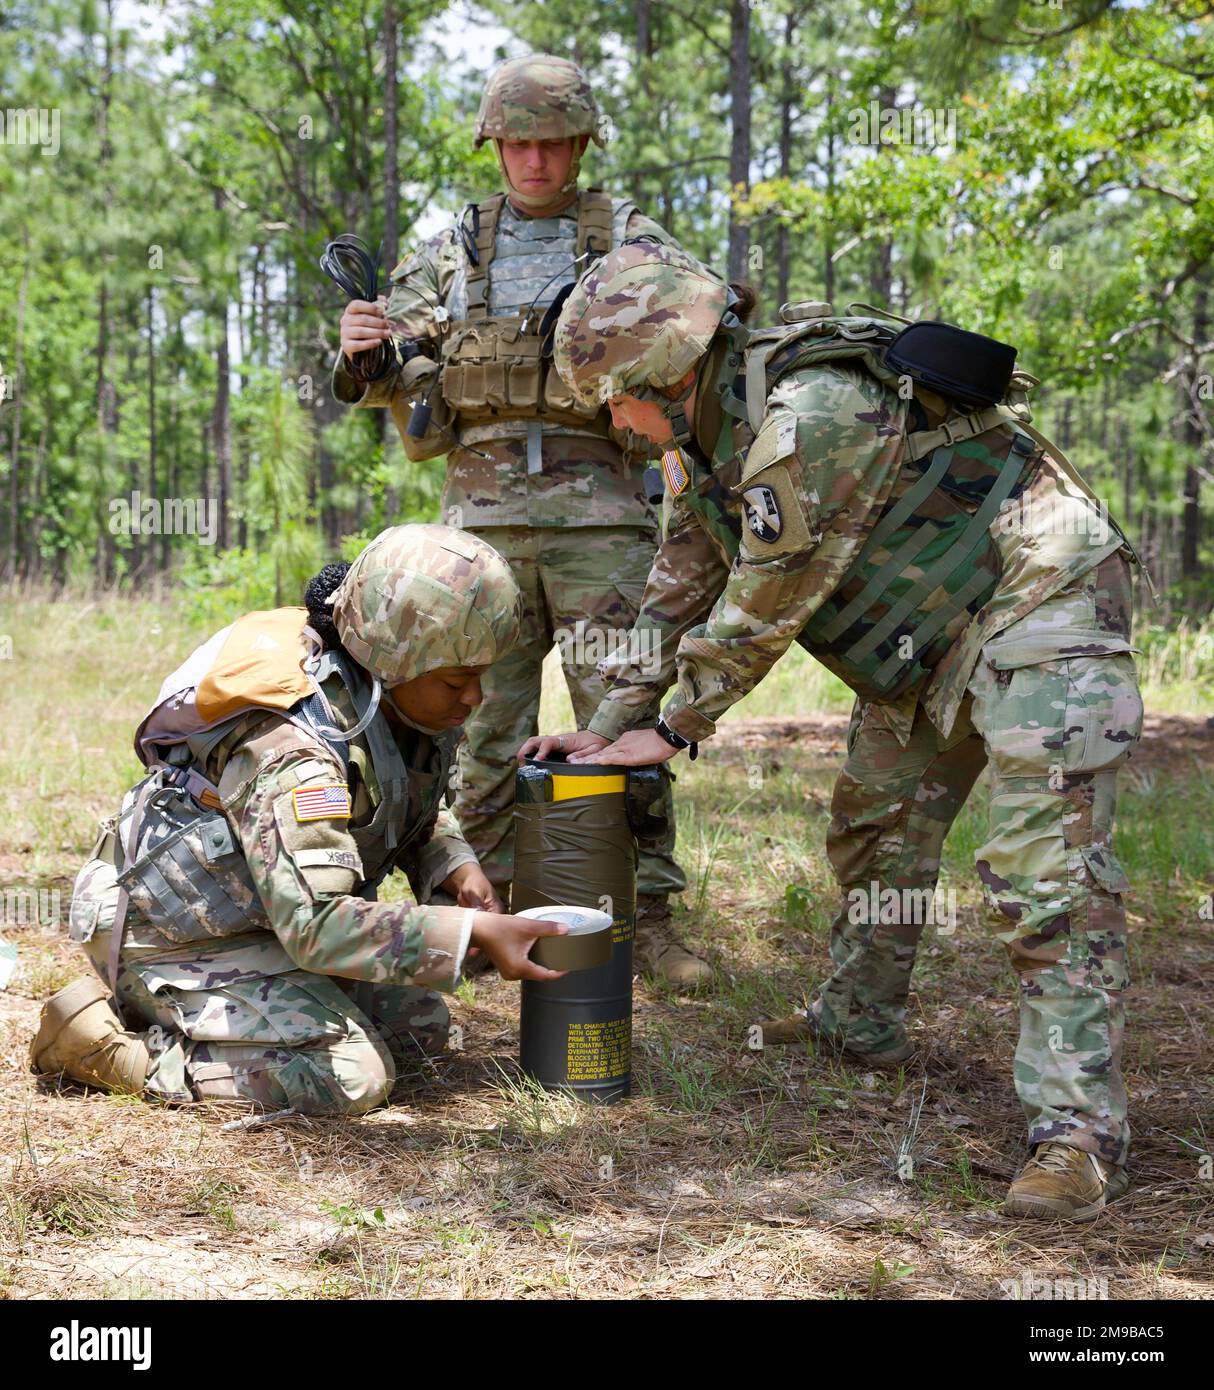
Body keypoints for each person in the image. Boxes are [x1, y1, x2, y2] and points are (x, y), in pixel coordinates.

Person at [529, 240, 1146, 1221]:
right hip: (929, 634)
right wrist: (601, 732)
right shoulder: (708, 448)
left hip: (1041, 601)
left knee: (1045, 871)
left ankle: (1073, 1131)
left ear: (659, 369)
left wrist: (677, 729)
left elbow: (763, 601)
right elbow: (673, 601)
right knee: (876, 827)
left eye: (610, 395)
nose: (610, 419)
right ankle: (858, 1021)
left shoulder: (808, 416)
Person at [332, 54, 708, 989]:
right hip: (482, 529)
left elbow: (696, 336)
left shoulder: (630, 241)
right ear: (493, 146)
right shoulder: (452, 249)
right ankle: (488, 912)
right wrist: (360, 350)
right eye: (518, 143)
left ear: (581, 143)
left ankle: (647, 917)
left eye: (552, 143)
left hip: (603, 518)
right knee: (479, 724)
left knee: (618, 718)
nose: (535, 161)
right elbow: (382, 376)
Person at [30, 525, 572, 1116]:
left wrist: (454, 866)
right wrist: (468, 934)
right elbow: (315, 924)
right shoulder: (297, 750)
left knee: (420, 1029)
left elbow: (407, 797)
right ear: (394, 659)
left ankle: (220, 1017)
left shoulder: (392, 701)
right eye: (455, 680)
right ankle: (98, 1045)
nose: (474, 698)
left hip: (262, 915)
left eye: (480, 676)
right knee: (347, 1078)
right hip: (169, 931)